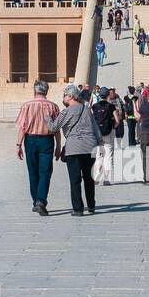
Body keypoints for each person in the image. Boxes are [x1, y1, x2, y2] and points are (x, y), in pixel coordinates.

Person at [45, 84, 100, 216]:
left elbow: (53, 127)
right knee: (89, 178)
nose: (63, 98)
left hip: (74, 148)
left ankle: (78, 208)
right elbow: (96, 128)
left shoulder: (66, 111)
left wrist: (47, 117)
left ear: (70, 96)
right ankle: (91, 205)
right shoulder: (87, 109)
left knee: (75, 180)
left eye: (64, 95)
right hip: (89, 146)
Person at [15, 80, 61, 215]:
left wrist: (18, 145)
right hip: (47, 140)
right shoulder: (53, 106)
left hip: (30, 140)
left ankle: (36, 201)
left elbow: (23, 128)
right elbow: (56, 129)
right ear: (46, 91)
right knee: (45, 172)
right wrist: (59, 145)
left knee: (33, 171)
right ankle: (40, 200)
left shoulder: (27, 106)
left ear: (35, 91)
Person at [90, 89, 119, 186]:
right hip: (108, 133)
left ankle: (96, 178)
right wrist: (112, 127)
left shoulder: (94, 106)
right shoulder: (111, 106)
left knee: (99, 156)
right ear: (107, 95)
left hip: (98, 134)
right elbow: (117, 120)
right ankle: (106, 179)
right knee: (108, 156)